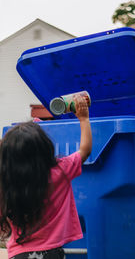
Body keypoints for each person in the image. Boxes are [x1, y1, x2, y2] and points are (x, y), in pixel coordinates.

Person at [0, 94, 92, 259]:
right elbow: (84, 151)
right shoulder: (59, 172)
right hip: (52, 253)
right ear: (44, 149)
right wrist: (83, 119)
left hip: (19, 254)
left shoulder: (6, 182)